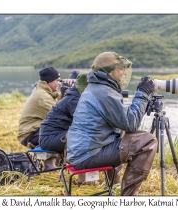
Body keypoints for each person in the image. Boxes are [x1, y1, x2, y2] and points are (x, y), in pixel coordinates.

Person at [66, 52, 158, 195]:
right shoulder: (104, 92)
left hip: (80, 152)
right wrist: (143, 93)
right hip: (87, 155)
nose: (124, 72)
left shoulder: (96, 87)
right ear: (109, 71)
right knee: (148, 141)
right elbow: (131, 123)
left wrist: (142, 103)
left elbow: (123, 120)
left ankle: (114, 184)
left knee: (123, 134)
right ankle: (129, 197)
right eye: (121, 68)